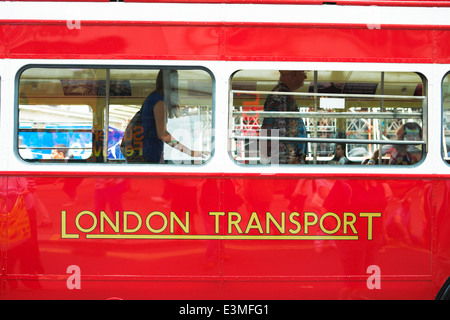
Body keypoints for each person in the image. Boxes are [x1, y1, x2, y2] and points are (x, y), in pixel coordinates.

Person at [142, 70, 206, 163]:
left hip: (149, 154)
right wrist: (190, 152)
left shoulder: (154, 98)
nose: (176, 83)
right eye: (174, 79)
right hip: (150, 156)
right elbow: (163, 135)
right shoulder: (158, 100)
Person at [260, 70, 307, 164]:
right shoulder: (280, 94)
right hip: (286, 159)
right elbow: (274, 127)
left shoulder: (283, 93)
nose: (305, 77)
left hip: (288, 158)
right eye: (304, 73)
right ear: (294, 74)